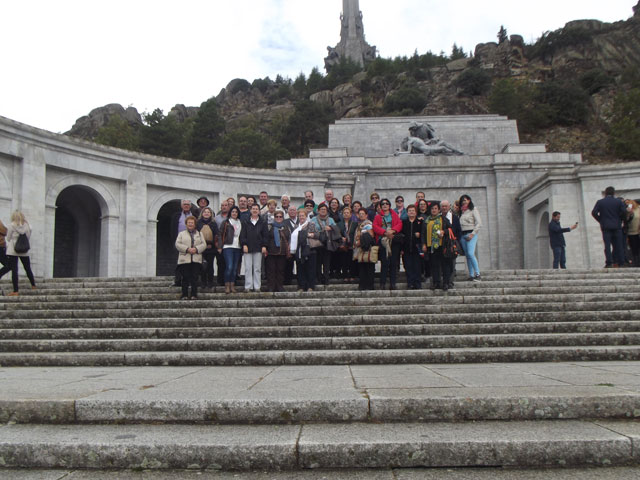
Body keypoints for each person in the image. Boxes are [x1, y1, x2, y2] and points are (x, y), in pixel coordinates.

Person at [3, 211, 37, 296]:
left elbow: (8, 238)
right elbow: (28, 237)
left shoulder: (11, 225)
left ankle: (16, 291)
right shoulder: (27, 226)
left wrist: (14, 239)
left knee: (15, 270)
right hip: (24, 250)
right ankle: (33, 285)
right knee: (28, 268)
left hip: (13, 250)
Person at [591, 187, 627, 268]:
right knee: (619, 245)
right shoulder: (618, 201)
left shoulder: (600, 202)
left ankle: (609, 262)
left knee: (607, 245)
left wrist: (600, 220)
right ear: (614, 193)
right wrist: (620, 219)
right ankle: (621, 262)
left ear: (606, 193)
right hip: (617, 226)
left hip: (606, 226)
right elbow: (624, 211)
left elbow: (594, 212)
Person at [373, 198, 402, 290]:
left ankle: (393, 283)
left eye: (386, 203)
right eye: (383, 204)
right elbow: (375, 227)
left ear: (389, 205)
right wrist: (385, 232)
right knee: (384, 263)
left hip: (393, 241)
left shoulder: (394, 215)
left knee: (393, 263)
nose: (385, 205)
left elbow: (399, 224)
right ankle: (382, 283)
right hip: (383, 241)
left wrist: (393, 231)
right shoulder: (378, 217)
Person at [423, 202, 453, 290]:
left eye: (436, 208)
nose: (434, 210)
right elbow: (423, 233)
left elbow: (451, 229)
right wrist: (424, 244)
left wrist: (444, 232)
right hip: (431, 247)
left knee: (445, 265)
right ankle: (436, 282)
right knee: (434, 265)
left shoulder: (443, 219)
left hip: (442, 245)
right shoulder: (427, 221)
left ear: (439, 210)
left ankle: (446, 283)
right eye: (432, 209)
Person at [175, 215, 206, 300]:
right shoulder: (181, 234)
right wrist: (187, 249)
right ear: (186, 224)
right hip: (185, 259)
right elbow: (177, 244)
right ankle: (184, 294)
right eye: (189, 223)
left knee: (194, 277)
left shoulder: (200, 234)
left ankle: (194, 294)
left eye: (192, 223)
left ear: (195, 224)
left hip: (196, 258)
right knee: (185, 277)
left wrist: (196, 249)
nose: (190, 224)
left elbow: (204, 244)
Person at [240, 204, 268, 293]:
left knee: (257, 268)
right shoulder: (245, 221)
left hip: (258, 247)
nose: (255, 210)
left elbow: (265, 235)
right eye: (253, 209)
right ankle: (248, 286)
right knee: (248, 268)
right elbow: (242, 234)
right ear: (250, 210)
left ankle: (257, 287)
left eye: (256, 209)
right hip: (247, 247)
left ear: (259, 211)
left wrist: (264, 246)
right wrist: (244, 244)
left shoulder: (263, 222)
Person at [171, 199, 198, 286]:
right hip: (179, 242)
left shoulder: (194, 215)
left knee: (191, 263)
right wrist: (174, 241)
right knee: (179, 262)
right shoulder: (176, 216)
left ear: (190, 206)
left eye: (188, 204)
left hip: (192, 243)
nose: (186, 206)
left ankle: (190, 281)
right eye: (184, 204)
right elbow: (172, 229)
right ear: (181, 206)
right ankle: (178, 280)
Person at [291, 209, 319, 292]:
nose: (301, 217)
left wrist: (309, 235)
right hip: (299, 250)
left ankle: (310, 286)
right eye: (300, 216)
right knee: (300, 269)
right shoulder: (296, 226)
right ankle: (301, 286)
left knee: (310, 269)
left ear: (306, 216)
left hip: (310, 250)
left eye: (303, 215)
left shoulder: (311, 224)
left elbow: (317, 235)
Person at [218, 206, 243, 294]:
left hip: (238, 247)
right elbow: (220, 235)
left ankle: (232, 285)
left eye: (236, 212)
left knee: (235, 267)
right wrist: (220, 246)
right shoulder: (226, 222)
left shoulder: (240, 222)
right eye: (233, 212)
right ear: (230, 213)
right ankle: (227, 285)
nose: (234, 213)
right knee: (229, 266)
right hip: (228, 246)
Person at [311, 203, 337, 285]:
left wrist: (330, 228)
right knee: (317, 262)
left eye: (324, 209)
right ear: (318, 211)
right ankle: (318, 278)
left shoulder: (331, 219)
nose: (323, 211)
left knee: (326, 262)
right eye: (321, 209)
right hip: (317, 243)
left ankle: (326, 279)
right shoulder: (313, 219)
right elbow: (311, 230)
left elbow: (336, 230)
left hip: (328, 243)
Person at [266, 210, 291, 292]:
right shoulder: (270, 227)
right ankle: (271, 286)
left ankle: (279, 285)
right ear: (274, 217)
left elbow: (288, 237)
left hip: (282, 251)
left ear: (283, 218)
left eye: (280, 217)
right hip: (271, 251)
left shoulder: (286, 227)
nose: (278, 218)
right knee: (271, 270)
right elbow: (266, 238)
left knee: (281, 270)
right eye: (277, 217)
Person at [458, 194, 482, 281]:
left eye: (465, 200)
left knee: (471, 254)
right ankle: (471, 275)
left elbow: (479, 223)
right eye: (462, 201)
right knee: (467, 255)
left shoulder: (473, 209)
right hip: (462, 235)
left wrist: (472, 234)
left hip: (471, 234)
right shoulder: (461, 212)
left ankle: (478, 273)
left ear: (469, 200)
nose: (464, 202)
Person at [402, 204, 423, 289]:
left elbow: (424, 234)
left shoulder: (420, 222)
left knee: (417, 266)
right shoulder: (404, 223)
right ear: (407, 212)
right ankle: (410, 283)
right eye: (409, 211)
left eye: (413, 211)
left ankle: (417, 283)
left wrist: (420, 235)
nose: (411, 212)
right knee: (408, 266)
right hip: (406, 248)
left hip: (417, 248)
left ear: (416, 212)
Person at [196, 207, 219, 289]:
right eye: (205, 212)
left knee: (210, 266)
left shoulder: (213, 223)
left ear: (211, 214)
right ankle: (203, 282)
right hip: (201, 248)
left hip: (211, 248)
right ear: (202, 213)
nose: (206, 213)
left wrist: (212, 244)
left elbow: (216, 235)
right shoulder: (198, 223)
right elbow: (196, 235)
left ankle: (210, 282)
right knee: (202, 266)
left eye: (208, 212)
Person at [441, 200, 461, 288]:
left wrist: (457, 242)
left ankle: (450, 281)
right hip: (441, 245)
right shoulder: (438, 217)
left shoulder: (455, 218)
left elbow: (458, 231)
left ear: (449, 207)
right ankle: (444, 282)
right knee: (443, 264)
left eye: (446, 206)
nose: (444, 208)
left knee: (452, 264)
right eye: (443, 206)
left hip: (451, 245)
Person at [354, 207, 375, 291]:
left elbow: (371, 235)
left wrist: (360, 241)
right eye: (360, 214)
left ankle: (369, 285)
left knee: (368, 267)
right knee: (362, 267)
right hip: (361, 249)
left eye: (363, 214)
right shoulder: (359, 224)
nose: (361, 215)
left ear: (366, 215)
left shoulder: (368, 224)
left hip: (367, 248)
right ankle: (363, 284)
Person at [337, 206, 358, 281]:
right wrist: (341, 237)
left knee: (352, 261)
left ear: (350, 214)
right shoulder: (339, 224)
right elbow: (336, 233)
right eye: (344, 213)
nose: (346, 214)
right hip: (343, 245)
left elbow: (356, 233)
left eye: (347, 213)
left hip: (352, 244)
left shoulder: (355, 224)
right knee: (344, 261)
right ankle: (345, 275)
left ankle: (352, 275)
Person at [625, 199, 640, 267]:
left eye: (629, 203)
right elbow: (626, 220)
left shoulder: (638, 209)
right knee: (633, 248)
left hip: (638, 231)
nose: (628, 204)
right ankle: (635, 261)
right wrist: (628, 213)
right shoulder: (627, 210)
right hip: (630, 232)